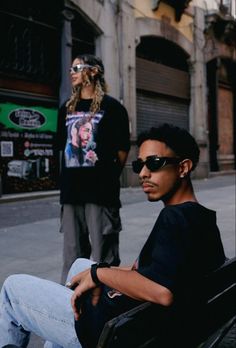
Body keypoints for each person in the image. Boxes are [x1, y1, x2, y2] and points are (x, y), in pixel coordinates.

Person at [0, 124, 226, 348]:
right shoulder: (200, 217)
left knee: (12, 288)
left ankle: (66, 324)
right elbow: (156, 269)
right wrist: (99, 272)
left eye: (154, 164)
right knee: (80, 266)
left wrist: (99, 274)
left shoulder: (175, 219)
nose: (144, 174)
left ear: (183, 168)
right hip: (141, 323)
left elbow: (162, 292)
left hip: (112, 333)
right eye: (139, 165)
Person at [57, 54, 131, 284]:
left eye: (77, 67)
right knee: (71, 257)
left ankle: (105, 307)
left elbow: (122, 151)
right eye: (71, 68)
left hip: (101, 194)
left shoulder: (113, 108)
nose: (72, 72)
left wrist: (106, 178)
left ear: (94, 71)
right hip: (71, 195)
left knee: (103, 258)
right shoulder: (66, 109)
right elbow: (62, 147)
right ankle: (69, 302)